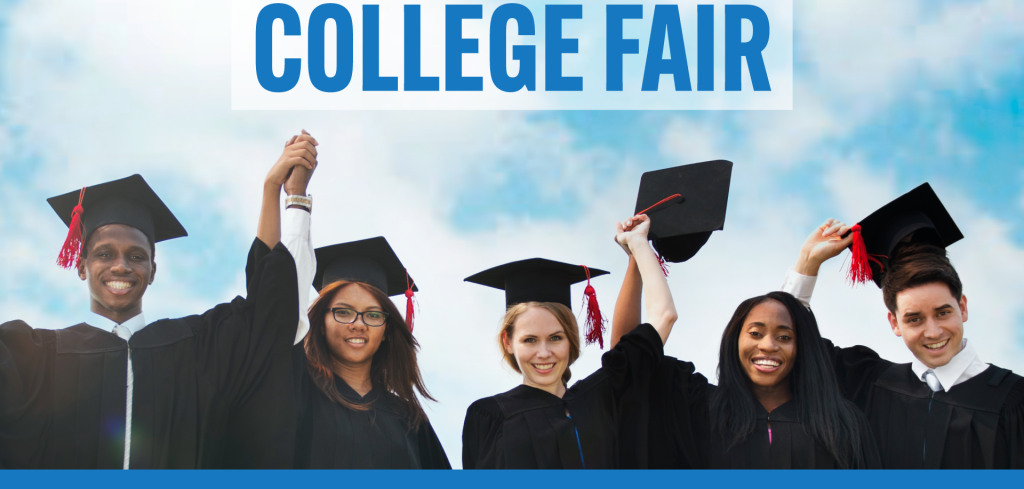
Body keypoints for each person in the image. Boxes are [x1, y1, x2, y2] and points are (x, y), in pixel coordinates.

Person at [0, 132, 317, 469]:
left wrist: (284, 195)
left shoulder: (196, 351)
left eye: (136, 257)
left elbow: (270, 311)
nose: (120, 265)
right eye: (105, 254)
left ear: (152, 271)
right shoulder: (34, 359)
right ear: (82, 267)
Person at [608, 161, 879, 469]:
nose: (767, 345)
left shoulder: (841, 425)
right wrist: (636, 256)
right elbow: (627, 357)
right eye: (754, 333)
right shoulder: (702, 409)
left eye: (784, 337)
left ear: (802, 349)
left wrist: (807, 262)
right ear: (732, 341)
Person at [781, 183, 1024, 468]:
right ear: (894, 322)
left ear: (963, 307)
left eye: (943, 313)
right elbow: (788, 353)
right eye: (914, 319)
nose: (933, 331)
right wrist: (807, 264)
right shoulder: (869, 384)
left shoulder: (1014, 401)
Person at [461, 213, 677, 469]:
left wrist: (638, 244)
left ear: (571, 339)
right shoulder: (489, 415)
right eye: (529, 340)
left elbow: (664, 315)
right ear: (508, 342)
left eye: (555, 338)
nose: (544, 353)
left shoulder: (603, 396)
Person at [288, 237, 450, 469]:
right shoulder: (298, 394)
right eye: (343, 312)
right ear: (321, 324)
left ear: (386, 330)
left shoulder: (409, 418)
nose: (358, 324)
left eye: (373, 315)